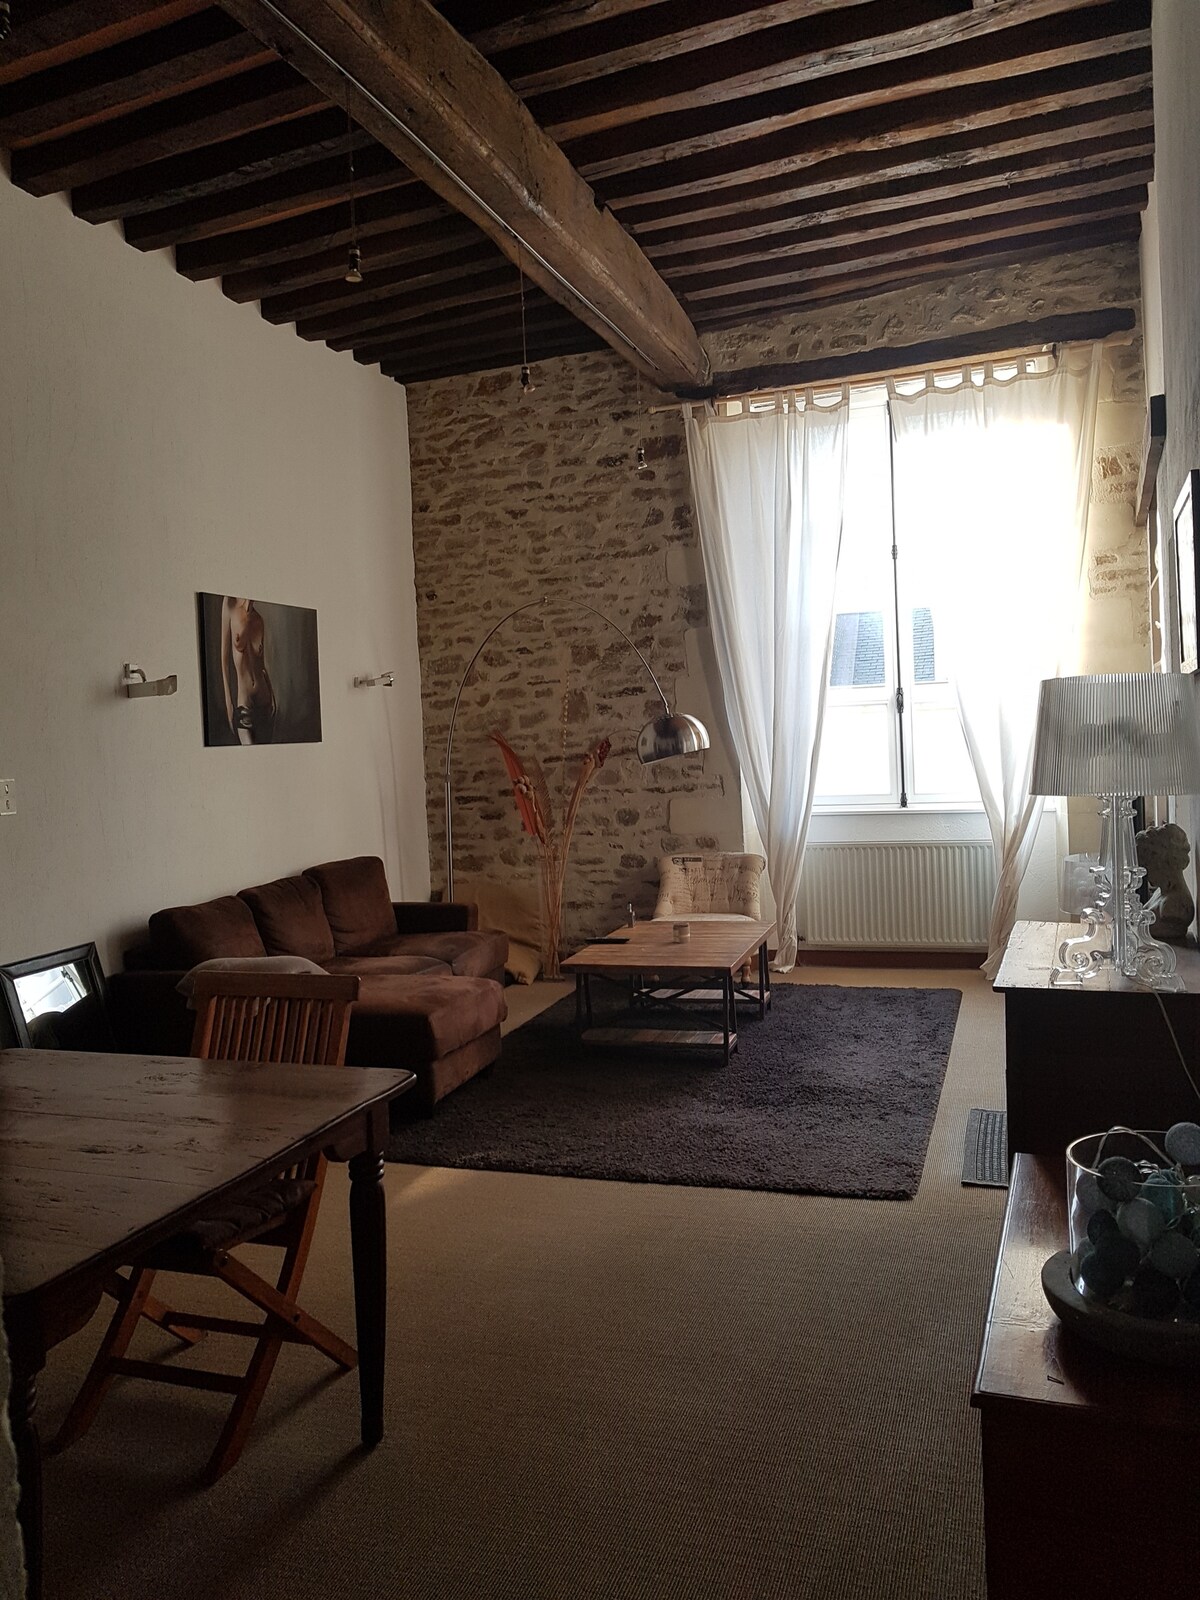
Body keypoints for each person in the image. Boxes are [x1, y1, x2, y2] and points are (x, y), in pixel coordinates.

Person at [220, 597, 277, 744]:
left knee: (267, 758)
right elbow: (224, 660)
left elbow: (262, 665)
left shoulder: (259, 620)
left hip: (265, 699)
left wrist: (272, 696)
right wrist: (228, 702)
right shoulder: (229, 606)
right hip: (244, 701)